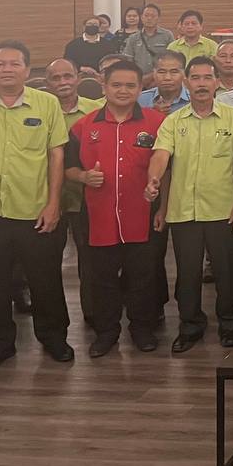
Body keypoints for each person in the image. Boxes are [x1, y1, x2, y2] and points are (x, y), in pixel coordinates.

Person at [0, 41, 71, 373]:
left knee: (45, 279)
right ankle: (0, 344)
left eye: (14, 64)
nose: (6, 69)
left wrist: (53, 203)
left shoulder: (46, 103)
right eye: (0, 64)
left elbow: (56, 155)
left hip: (34, 209)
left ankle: (54, 338)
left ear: (27, 69)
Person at [145, 56, 233, 352]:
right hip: (184, 212)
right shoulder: (173, 121)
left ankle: (230, 325)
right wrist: (154, 181)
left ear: (217, 82)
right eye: (195, 78)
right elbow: (161, 156)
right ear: (186, 82)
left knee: (227, 273)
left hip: (224, 210)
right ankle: (190, 326)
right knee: (188, 275)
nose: (201, 84)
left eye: (207, 78)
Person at [67, 60, 166, 355]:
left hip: (143, 213)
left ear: (141, 88)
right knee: (101, 278)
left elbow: (168, 166)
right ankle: (106, 332)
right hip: (98, 215)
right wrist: (84, 177)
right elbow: (68, 167)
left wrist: (161, 200)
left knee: (143, 276)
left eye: (130, 85)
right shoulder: (84, 126)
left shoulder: (157, 123)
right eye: (117, 85)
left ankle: (142, 328)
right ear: (104, 86)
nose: (123, 91)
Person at [46, 58, 103, 326]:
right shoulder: (42, 110)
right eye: (56, 78)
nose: (63, 82)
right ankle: (53, 323)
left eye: (67, 76)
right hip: (47, 199)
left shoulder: (98, 110)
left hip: (86, 198)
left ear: (78, 78)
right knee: (46, 263)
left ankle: (94, 314)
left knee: (90, 262)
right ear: (47, 83)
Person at [122, 3, 173, 85]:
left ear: (158, 18)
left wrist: (154, 77)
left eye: (153, 16)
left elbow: (171, 59)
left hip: (161, 80)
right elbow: (128, 61)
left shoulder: (167, 35)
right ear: (141, 18)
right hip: (139, 81)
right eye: (146, 15)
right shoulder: (133, 38)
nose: (149, 18)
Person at [139, 49, 190, 114]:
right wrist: (151, 113)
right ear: (153, 74)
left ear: (184, 74)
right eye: (161, 72)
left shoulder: (194, 100)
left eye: (174, 72)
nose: (167, 78)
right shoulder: (140, 100)